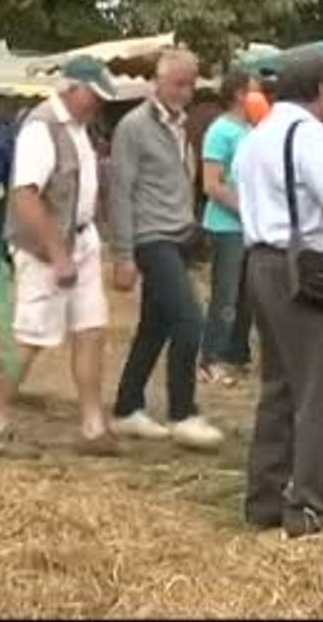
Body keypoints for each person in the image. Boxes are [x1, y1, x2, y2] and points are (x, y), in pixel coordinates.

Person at [232, 49, 323, 538]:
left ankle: (264, 499)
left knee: (279, 386)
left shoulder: (257, 135)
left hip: (259, 262)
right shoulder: (309, 134)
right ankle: (309, 506)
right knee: (319, 391)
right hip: (303, 266)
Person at [0, 56, 120, 456]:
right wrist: (58, 255)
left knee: (91, 330)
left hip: (82, 240)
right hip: (45, 249)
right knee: (27, 338)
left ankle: (93, 427)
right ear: (71, 88)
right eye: (94, 95)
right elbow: (25, 195)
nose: (98, 104)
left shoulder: (77, 127)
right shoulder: (42, 128)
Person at [108, 49, 223, 451]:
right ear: (157, 81)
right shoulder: (134, 127)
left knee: (154, 327)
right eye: (178, 83)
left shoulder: (181, 126)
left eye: (191, 84)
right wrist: (122, 254)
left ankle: (126, 407)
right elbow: (120, 191)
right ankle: (182, 412)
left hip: (177, 235)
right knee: (189, 321)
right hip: (150, 238)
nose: (185, 92)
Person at [198, 71, 256, 388]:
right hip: (226, 226)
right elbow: (212, 183)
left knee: (248, 295)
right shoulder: (220, 131)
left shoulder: (252, 129)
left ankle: (236, 353)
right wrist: (245, 210)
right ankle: (210, 359)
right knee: (226, 296)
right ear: (238, 93)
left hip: (250, 228)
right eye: (255, 90)